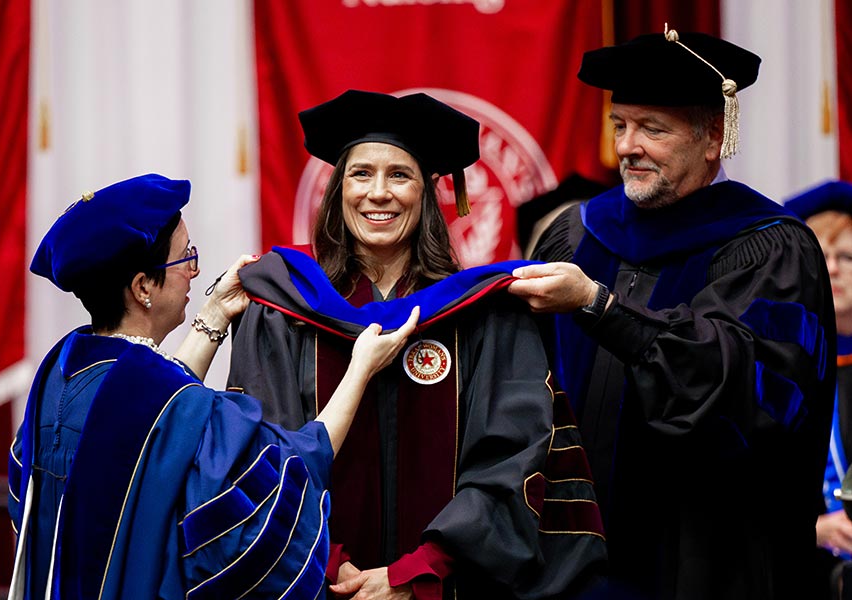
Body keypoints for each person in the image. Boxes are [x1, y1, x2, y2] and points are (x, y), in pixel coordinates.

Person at [227, 90, 607, 599]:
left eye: (399, 175)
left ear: (427, 193)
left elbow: (512, 460)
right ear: (339, 189)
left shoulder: (484, 314)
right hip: (313, 581)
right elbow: (261, 449)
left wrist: (418, 573)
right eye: (361, 174)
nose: (378, 193)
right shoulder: (283, 308)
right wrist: (328, 562)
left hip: (447, 586)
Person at [508, 27, 836, 599]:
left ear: (713, 138)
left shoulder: (770, 248)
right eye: (620, 125)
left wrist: (600, 307)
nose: (627, 146)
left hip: (707, 562)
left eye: (652, 129)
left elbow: (740, 391)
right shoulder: (577, 234)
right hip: (569, 563)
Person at [7, 173, 419, 600]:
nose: (194, 270)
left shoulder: (61, 374)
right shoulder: (174, 403)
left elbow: (150, 416)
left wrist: (216, 313)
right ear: (143, 287)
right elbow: (290, 470)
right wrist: (360, 370)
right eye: (185, 256)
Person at [785, 180, 852, 598]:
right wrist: (812, 529)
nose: (832, 269)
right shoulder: (776, 364)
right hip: (798, 572)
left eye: (846, 256)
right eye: (819, 256)